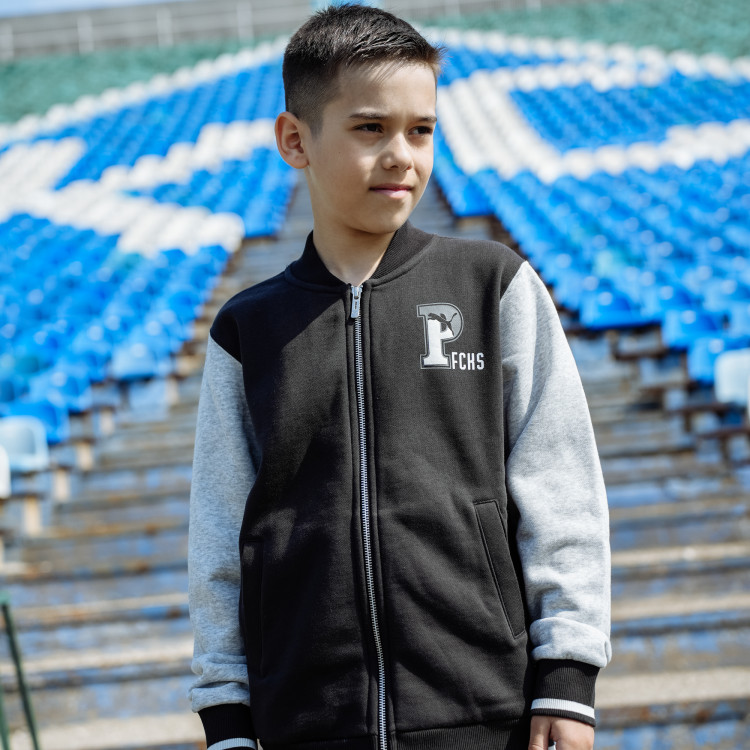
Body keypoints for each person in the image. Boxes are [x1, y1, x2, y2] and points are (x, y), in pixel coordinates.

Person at [187, 5, 611, 750]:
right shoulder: (247, 330)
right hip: (306, 726)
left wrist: (568, 678)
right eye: (370, 128)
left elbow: (561, 485)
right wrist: (226, 715)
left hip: (489, 716)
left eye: (421, 130)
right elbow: (221, 533)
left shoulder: (493, 285)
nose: (402, 156)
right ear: (295, 140)